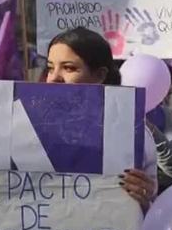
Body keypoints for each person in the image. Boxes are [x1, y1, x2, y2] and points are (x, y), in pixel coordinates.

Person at [45, 27, 159, 210]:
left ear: (99, 75)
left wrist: (145, 199)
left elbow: (149, 206)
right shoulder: (26, 126)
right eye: (50, 68)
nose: (53, 78)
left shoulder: (132, 133)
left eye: (68, 68)